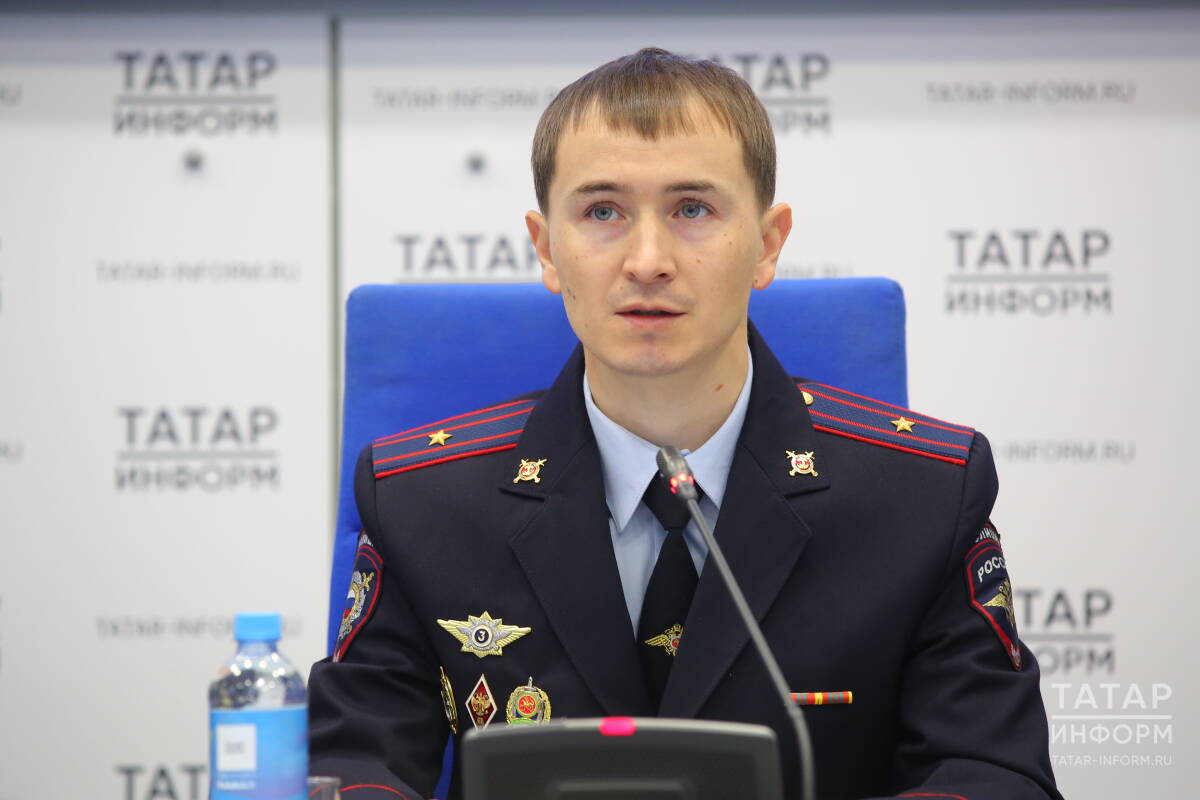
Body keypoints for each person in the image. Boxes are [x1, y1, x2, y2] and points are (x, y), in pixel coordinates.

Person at [308, 48, 1061, 800]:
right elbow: (353, 771)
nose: (647, 261)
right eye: (603, 212)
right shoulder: (422, 501)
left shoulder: (925, 496)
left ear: (767, 244)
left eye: (692, 209)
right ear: (547, 249)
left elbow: (992, 775)